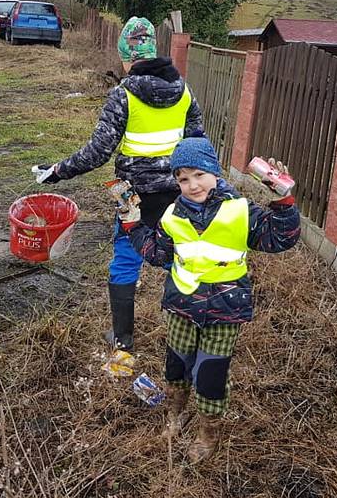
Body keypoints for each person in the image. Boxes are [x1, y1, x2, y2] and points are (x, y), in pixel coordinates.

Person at [122, 137, 301, 463]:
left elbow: (279, 239)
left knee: (210, 374)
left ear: (214, 171)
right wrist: (133, 225)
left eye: (199, 174)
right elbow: (159, 254)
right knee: (176, 366)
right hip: (180, 307)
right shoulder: (172, 215)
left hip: (225, 310)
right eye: (183, 179)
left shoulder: (241, 210)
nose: (192, 185)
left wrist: (284, 202)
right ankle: (175, 415)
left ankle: (208, 432)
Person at [36, 16, 205, 351]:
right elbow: (197, 144)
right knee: (183, 258)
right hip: (178, 193)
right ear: (154, 52)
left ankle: (123, 340)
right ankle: (188, 336)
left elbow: (98, 152)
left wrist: (58, 170)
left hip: (133, 197)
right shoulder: (184, 91)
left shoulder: (124, 94)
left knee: (127, 260)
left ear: (127, 56)